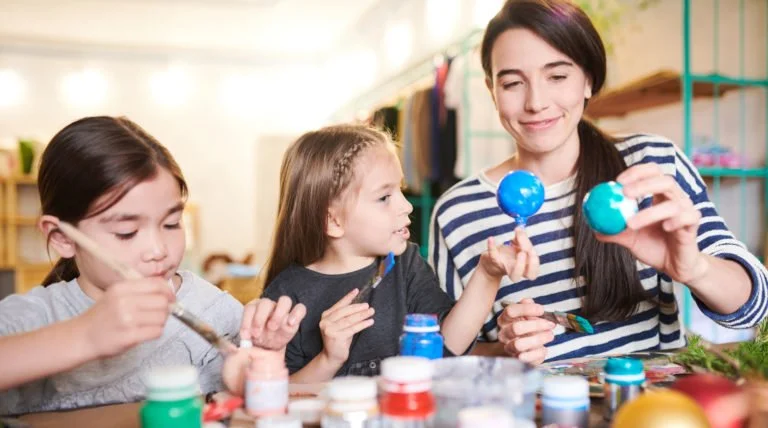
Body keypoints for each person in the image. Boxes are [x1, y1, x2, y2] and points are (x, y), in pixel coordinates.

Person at [430, 0, 768, 365]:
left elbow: (756, 307)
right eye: (512, 83)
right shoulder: (457, 212)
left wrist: (694, 268)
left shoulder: (650, 167)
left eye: (557, 77)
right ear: (491, 90)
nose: (536, 102)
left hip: (656, 400)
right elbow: (442, 353)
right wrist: (506, 349)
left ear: (588, 80)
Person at [0, 116, 305, 415]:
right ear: (63, 238)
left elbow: (250, 399)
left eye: (171, 223)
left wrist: (259, 370)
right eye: (127, 232)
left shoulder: (213, 311)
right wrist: (84, 335)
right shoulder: (32, 318)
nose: (158, 250)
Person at [262, 124, 532, 382]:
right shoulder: (285, 298)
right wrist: (328, 359)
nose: (407, 206)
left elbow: (447, 345)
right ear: (333, 221)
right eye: (384, 197)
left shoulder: (406, 265)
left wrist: (487, 274)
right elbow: (276, 393)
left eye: (399, 190)